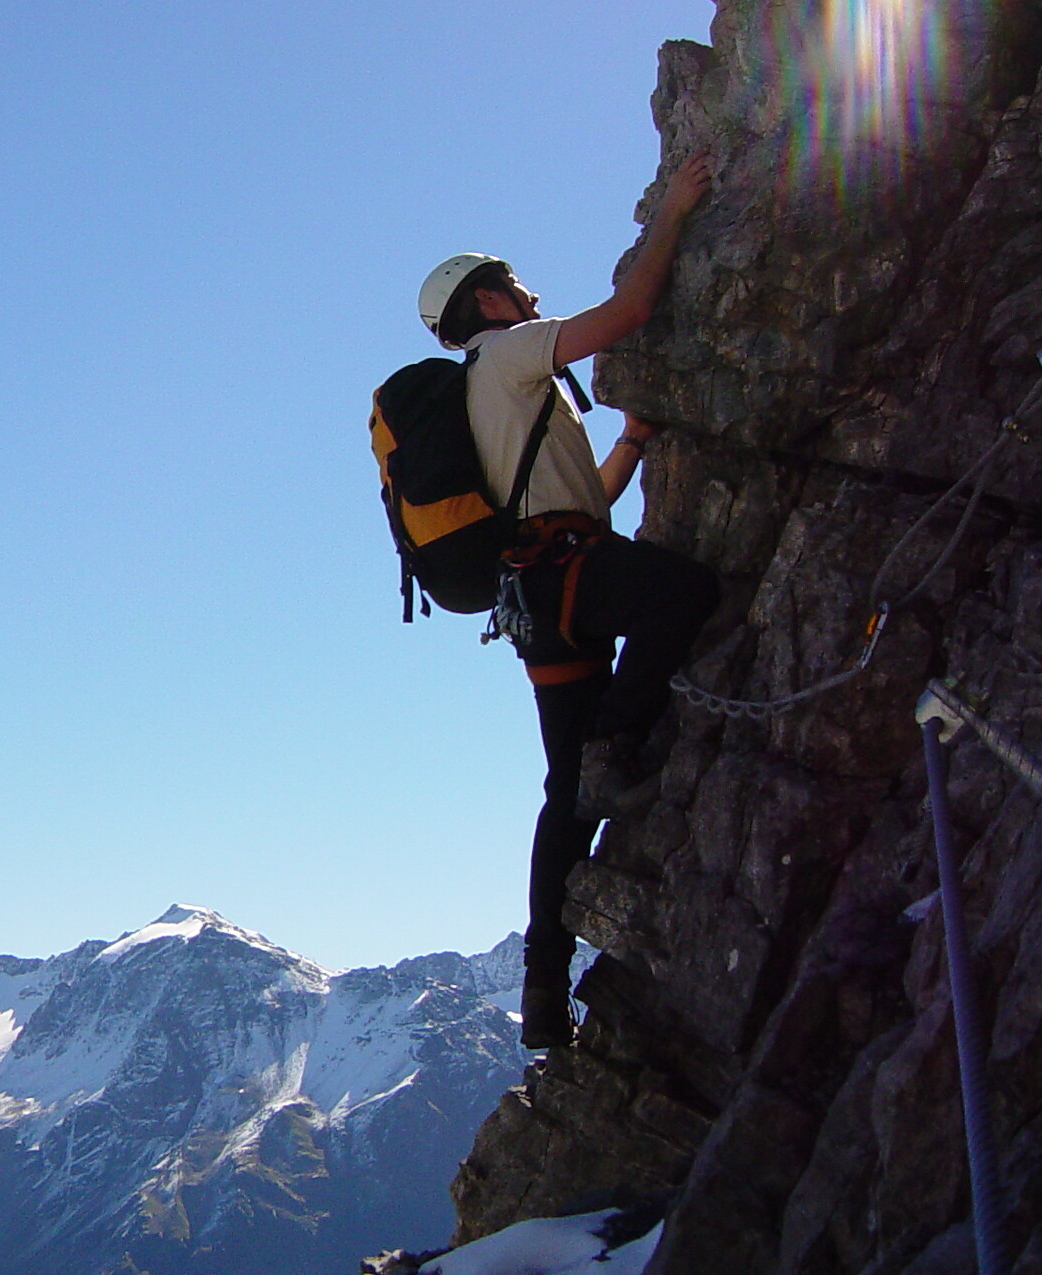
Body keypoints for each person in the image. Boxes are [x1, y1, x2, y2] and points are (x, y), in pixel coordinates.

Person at [416, 153, 721, 1050]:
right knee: (688, 593)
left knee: (563, 794)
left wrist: (626, 443)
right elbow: (627, 317)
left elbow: (584, 503)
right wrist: (673, 211)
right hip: (569, 575)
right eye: (513, 284)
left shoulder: (492, 385)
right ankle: (617, 739)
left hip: (543, 595)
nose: (530, 292)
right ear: (486, 302)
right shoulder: (509, 357)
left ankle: (544, 984)